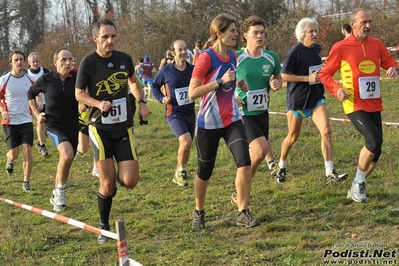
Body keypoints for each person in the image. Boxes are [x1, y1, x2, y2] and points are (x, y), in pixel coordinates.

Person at [75, 18, 151, 244]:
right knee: (107, 183)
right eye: (105, 37)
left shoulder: (124, 59)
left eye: (113, 36)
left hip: (124, 127)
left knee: (130, 181)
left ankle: (108, 188)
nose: (110, 41)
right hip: (100, 128)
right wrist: (98, 104)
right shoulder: (89, 63)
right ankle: (104, 225)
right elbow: (79, 94)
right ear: (95, 39)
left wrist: (142, 101)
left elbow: (134, 82)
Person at [188, 13, 260, 229]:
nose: (237, 34)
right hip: (208, 123)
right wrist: (219, 81)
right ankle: (199, 211)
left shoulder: (233, 56)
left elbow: (231, 80)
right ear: (219, 33)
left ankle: (242, 212)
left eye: (236, 31)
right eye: (232, 31)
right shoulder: (206, 58)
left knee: (244, 162)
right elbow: (193, 92)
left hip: (232, 120)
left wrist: (241, 83)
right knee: (204, 172)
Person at [320, 9, 399, 203]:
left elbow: (389, 62)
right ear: (353, 24)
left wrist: (393, 67)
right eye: (364, 22)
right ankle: (359, 185)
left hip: (374, 102)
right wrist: (336, 89)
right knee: (372, 140)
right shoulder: (341, 47)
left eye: (370, 22)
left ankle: (357, 183)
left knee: (377, 148)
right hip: (353, 102)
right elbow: (324, 74)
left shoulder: (377, 44)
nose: (368, 26)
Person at [275, 17, 348, 185]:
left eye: (316, 31)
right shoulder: (295, 51)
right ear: (302, 34)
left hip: (316, 98)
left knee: (327, 131)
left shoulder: (317, 49)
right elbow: (284, 75)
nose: (315, 34)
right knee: (293, 136)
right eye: (311, 31)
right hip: (298, 100)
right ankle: (281, 166)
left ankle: (329, 172)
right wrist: (307, 78)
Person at [231, 15, 283, 203]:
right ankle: (241, 189)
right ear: (245, 35)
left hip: (262, 111)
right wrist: (233, 96)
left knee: (255, 156)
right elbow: (223, 81)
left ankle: (240, 188)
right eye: (255, 33)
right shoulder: (236, 57)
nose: (260, 36)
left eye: (262, 33)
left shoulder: (272, 57)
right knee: (261, 150)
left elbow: (278, 78)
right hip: (243, 113)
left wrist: (277, 83)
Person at [27, 48, 79, 211]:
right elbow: (30, 93)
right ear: (55, 62)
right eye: (63, 60)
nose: (67, 63)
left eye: (70, 59)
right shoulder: (47, 79)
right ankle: (61, 192)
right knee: (67, 154)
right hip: (54, 125)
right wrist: (37, 114)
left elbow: (86, 94)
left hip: (73, 125)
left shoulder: (78, 78)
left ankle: (56, 191)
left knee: (67, 159)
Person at [151, 40, 195, 187]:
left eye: (185, 49)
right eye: (179, 50)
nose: (183, 52)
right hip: (174, 112)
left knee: (187, 145)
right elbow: (154, 86)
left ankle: (178, 172)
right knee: (186, 141)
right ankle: (182, 170)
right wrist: (162, 98)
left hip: (190, 112)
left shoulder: (193, 69)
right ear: (173, 52)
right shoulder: (166, 71)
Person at [0, 50, 35, 192]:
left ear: (25, 61)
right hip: (10, 121)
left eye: (21, 59)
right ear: (11, 62)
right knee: (14, 153)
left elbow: (37, 94)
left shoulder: (30, 79)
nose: (19, 62)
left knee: (27, 150)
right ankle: (10, 160)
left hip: (26, 119)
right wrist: (2, 110)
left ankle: (26, 181)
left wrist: (38, 102)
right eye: (16, 60)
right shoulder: (4, 80)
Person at [27, 52, 50, 157]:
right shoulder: (26, 74)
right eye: (33, 62)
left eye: (37, 61)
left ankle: (42, 138)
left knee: (48, 122)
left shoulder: (44, 71)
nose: (35, 64)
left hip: (47, 100)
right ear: (29, 62)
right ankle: (42, 145)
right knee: (40, 122)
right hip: (34, 102)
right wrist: (36, 100)